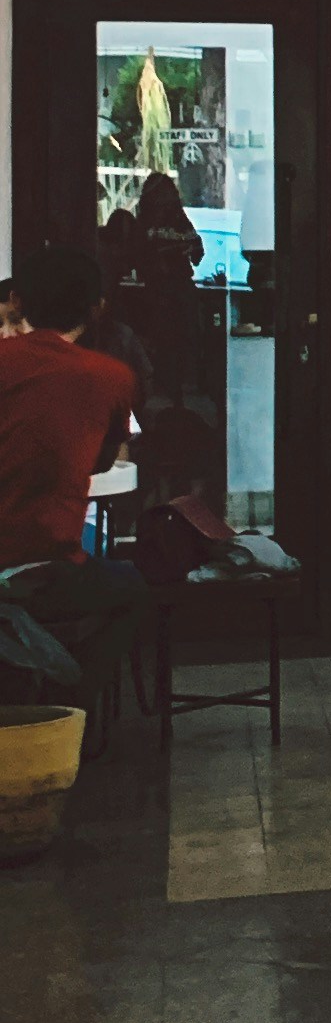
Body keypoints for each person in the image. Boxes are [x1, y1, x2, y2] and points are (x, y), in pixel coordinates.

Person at [0, 242, 148, 716]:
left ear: (18, 301)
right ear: (97, 307)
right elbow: (101, 464)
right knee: (132, 586)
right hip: (41, 567)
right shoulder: (110, 376)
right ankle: (70, 707)